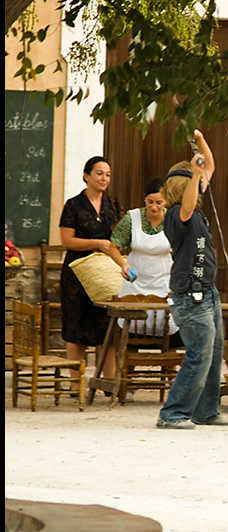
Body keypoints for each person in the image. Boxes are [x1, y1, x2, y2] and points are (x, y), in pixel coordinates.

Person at [156, 131, 228, 430]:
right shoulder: (176, 215)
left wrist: (199, 140)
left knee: (213, 355)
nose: (201, 185)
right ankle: (172, 413)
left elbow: (210, 166)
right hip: (190, 295)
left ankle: (206, 411)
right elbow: (187, 205)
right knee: (198, 355)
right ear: (183, 185)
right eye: (195, 181)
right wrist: (195, 171)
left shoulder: (195, 207)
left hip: (207, 292)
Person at [58, 156, 132, 380]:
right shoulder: (73, 205)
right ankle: (75, 383)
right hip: (77, 273)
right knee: (76, 327)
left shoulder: (113, 205)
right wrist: (97, 244)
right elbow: (67, 240)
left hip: (104, 273)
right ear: (86, 175)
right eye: (99, 173)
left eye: (108, 174)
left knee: (107, 327)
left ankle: (108, 381)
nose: (104, 178)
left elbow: (119, 239)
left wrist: (122, 261)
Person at [110, 178, 180, 343]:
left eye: (159, 202)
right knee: (132, 325)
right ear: (144, 200)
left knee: (167, 326)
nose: (154, 207)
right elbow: (113, 246)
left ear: (166, 201)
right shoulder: (132, 218)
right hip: (135, 284)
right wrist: (123, 264)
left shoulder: (174, 219)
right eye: (150, 202)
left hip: (164, 282)